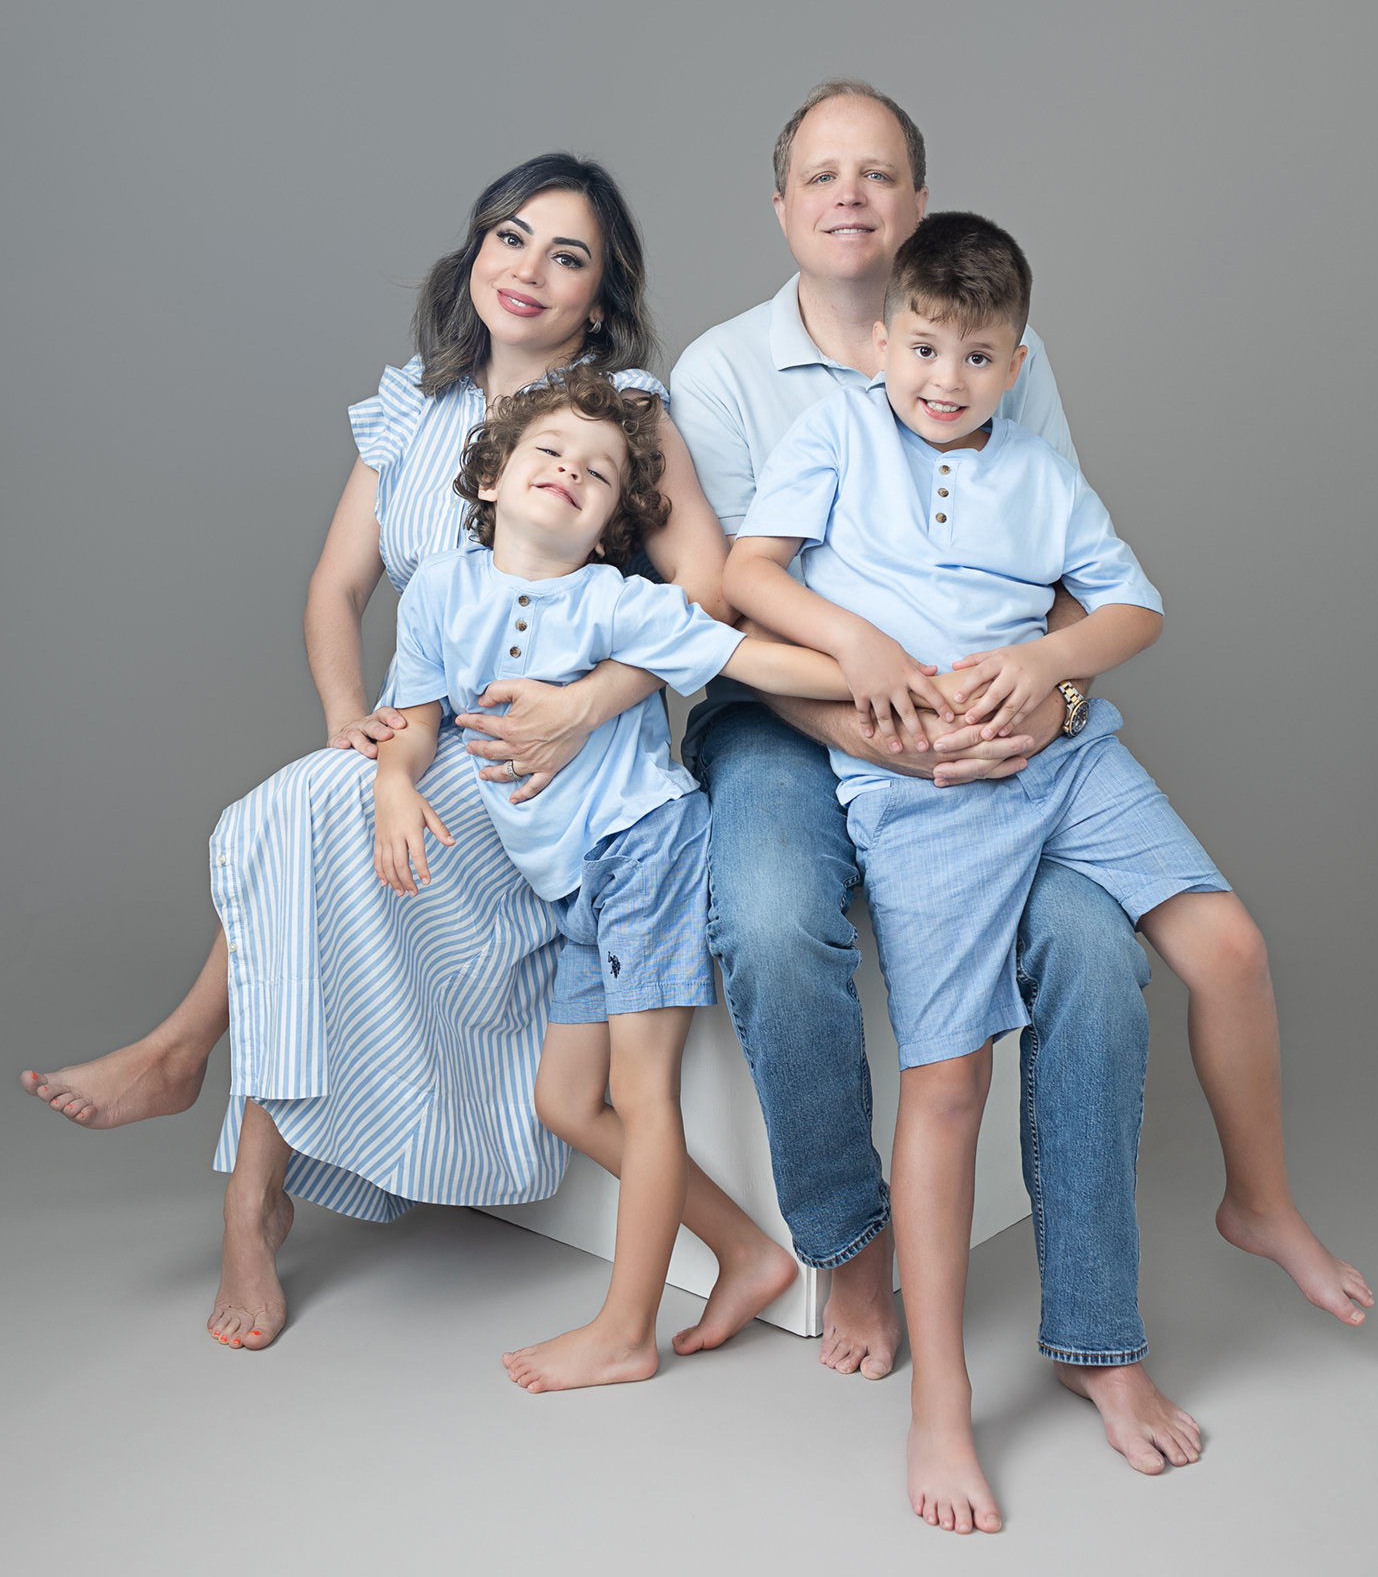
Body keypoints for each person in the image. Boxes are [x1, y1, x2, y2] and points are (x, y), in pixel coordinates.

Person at [20, 153, 749, 1356]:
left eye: (567, 255)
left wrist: (587, 706)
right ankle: (240, 1178)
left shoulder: (618, 407)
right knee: (317, 802)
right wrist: (353, 720)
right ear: (473, 255)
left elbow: (711, 595)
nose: (529, 270)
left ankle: (200, 1084)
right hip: (424, 725)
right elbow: (337, 583)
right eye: (511, 238)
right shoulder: (414, 407)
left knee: (303, 822)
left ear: (600, 295)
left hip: (549, 762)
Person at [726, 209, 1372, 1532]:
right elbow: (745, 572)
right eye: (920, 349)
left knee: (1228, 950)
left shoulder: (1037, 474)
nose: (942, 381)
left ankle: (1257, 1203)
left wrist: (1048, 663)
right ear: (885, 344)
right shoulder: (839, 435)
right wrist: (855, 644)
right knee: (947, 1082)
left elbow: (1133, 607)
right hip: (931, 797)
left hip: (1061, 762)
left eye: (974, 357)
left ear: (1015, 365)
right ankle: (942, 1410)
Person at [667, 80, 1198, 1471]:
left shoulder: (1004, 353)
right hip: (781, 712)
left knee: (1092, 947)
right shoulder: (723, 374)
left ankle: (1096, 1335)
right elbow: (717, 609)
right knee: (775, 922)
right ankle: (846, 1241)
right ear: (781, 207)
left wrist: (1053, 698)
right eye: (821, 174)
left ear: (913, 207)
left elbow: (1057, 588)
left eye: (879, 172)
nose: (849, 193)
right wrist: (864, 722)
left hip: (974, 732)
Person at [374, 371, 867, 1388]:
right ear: (492, 475)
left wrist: (890, 672)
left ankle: (625, 1328)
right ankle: (747, 1249)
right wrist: (392, 782)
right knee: (565, 1100)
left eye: (597, 474)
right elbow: (414, 716)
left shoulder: (616, 602)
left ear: (609, 525)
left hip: (644, 847)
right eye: (549, 453)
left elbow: (753, 659)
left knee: (640, 1092)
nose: (569, 472)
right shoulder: (438, 589)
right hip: (569, 881)